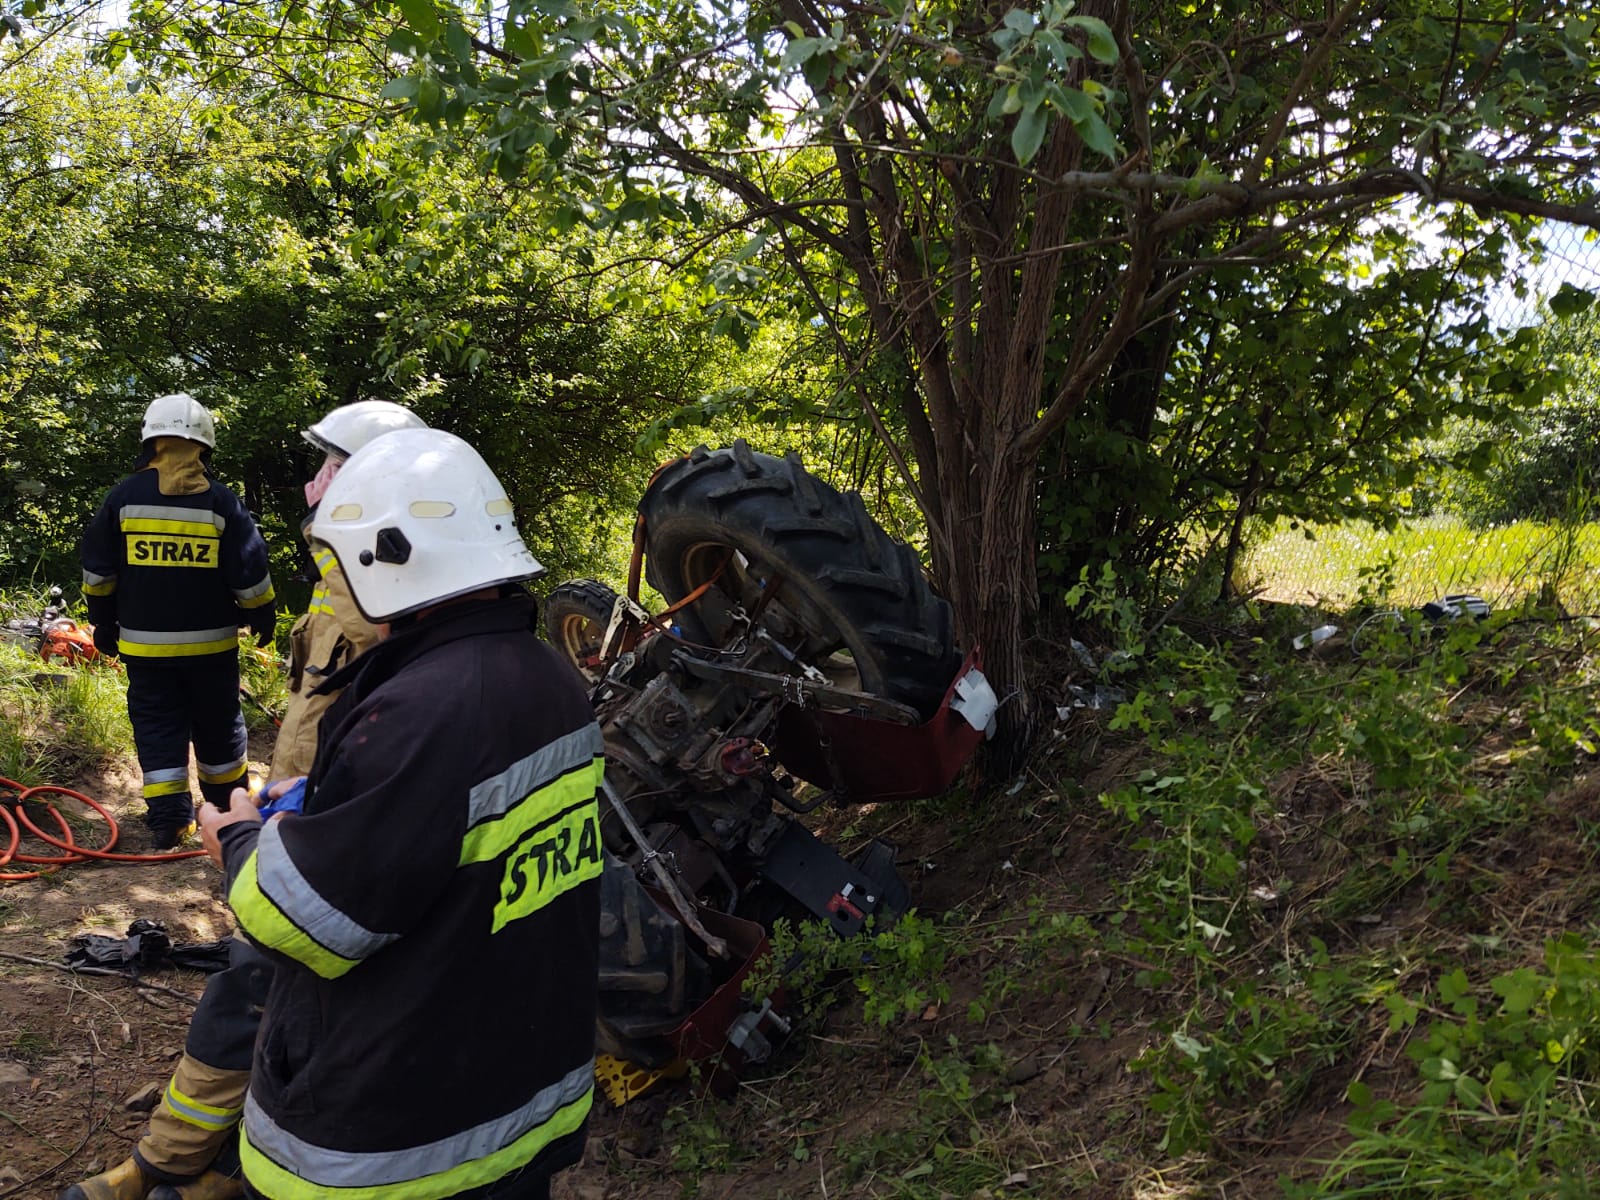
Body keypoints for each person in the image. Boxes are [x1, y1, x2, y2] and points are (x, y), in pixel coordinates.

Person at [202, 428, 604, 1200]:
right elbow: (464, 840)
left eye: (336, 564)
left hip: (394, 1147)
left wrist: (240, 837)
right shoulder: (548, 678)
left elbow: (306, 923)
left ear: (382, 559)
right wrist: (337, 800)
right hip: (519, 1108)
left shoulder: (425, 711)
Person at [61, 402, 426, 1200]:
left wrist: (105, 623)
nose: (312, 483)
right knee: (274, 986)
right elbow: (259, 593)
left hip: (324, 825)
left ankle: (178, 1158)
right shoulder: (323, 559)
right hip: (277, 773)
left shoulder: (391, 586)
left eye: (329, 466)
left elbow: (99, 571)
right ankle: (219, 1155)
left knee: (256, 980)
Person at [80, 393, 275, 849]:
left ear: (151, 442)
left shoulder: (123, 498)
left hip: (146, 651)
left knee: (157, 726)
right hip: (212, 650)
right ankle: (227, 806)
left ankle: (170, 820)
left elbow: (99, 572)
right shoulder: (221, 502)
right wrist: (261, 614)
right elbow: (249, 571)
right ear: (203, 446)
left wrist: (102, 622)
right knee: (218, 723)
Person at [270, 399, 426, 779]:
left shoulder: (385, 551)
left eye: (338, 467)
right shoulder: (350, 542)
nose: (323, 477)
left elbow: (369, 628)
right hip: (307, 741)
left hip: (327, 759)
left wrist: (325, 529)